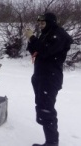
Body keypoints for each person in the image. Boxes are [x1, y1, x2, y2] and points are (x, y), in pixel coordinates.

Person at [25, 12, 73, 146]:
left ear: (50, 22)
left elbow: (45, 51)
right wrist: (31, 40)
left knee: (46, 109)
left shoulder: (59, 35)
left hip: (50, 78)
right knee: (42, 107)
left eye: (43, 23)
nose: (40, 25)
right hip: (40, 75)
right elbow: (35, 50)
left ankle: (52, 143)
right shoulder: (46, 33)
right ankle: (50, 141)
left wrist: (33, 38)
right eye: (39, 23)